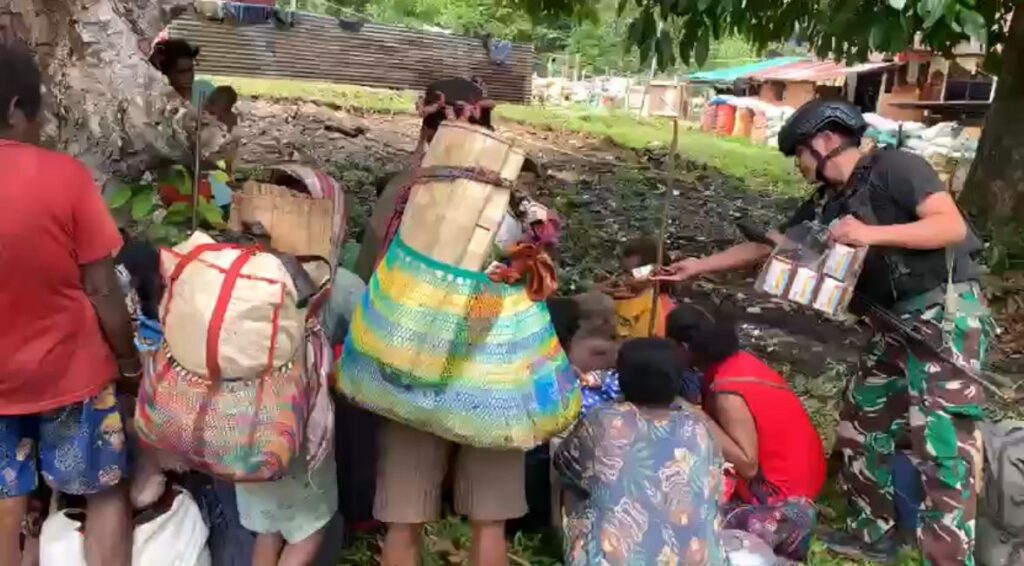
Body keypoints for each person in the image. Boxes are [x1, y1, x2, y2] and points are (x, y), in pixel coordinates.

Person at [656, 99, 992, 565]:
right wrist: (698, 266)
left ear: (826, 141)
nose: (798, 166)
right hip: (890, 324)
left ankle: (951, 556)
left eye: (799, 153)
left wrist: (869, 235)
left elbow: (949, 226)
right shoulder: (828, 201)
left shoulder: (897, 168)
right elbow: (772, 245)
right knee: (862, 420)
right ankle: (874, 532)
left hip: (942, 317)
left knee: (943, 442)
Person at [0, 43, 137, 566]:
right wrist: (127, 361)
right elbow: (102, 289)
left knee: (6, 501)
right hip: (71, 377)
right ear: (16, 108)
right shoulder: (64, 176)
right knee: (105, 492)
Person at [666, 305, 826, 561]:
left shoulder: (727, 391)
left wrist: (694, 414)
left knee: (679, 520)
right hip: (804, 486)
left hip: (782, 502)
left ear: (684, 348)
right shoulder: (742, 363)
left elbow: (748, 465)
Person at [554, 338, 727, 565]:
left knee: (566, 469)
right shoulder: (699, 427)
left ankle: (561, 538)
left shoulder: (604, 421)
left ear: (622, 378)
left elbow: (563, 463)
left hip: (615, 556)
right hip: (699, 558)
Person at [597, 236, 676, 339]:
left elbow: (637, 344)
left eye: (631, 274)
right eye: (623, 272)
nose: (623, 278)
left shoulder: (655, 307)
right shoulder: (619, 296)